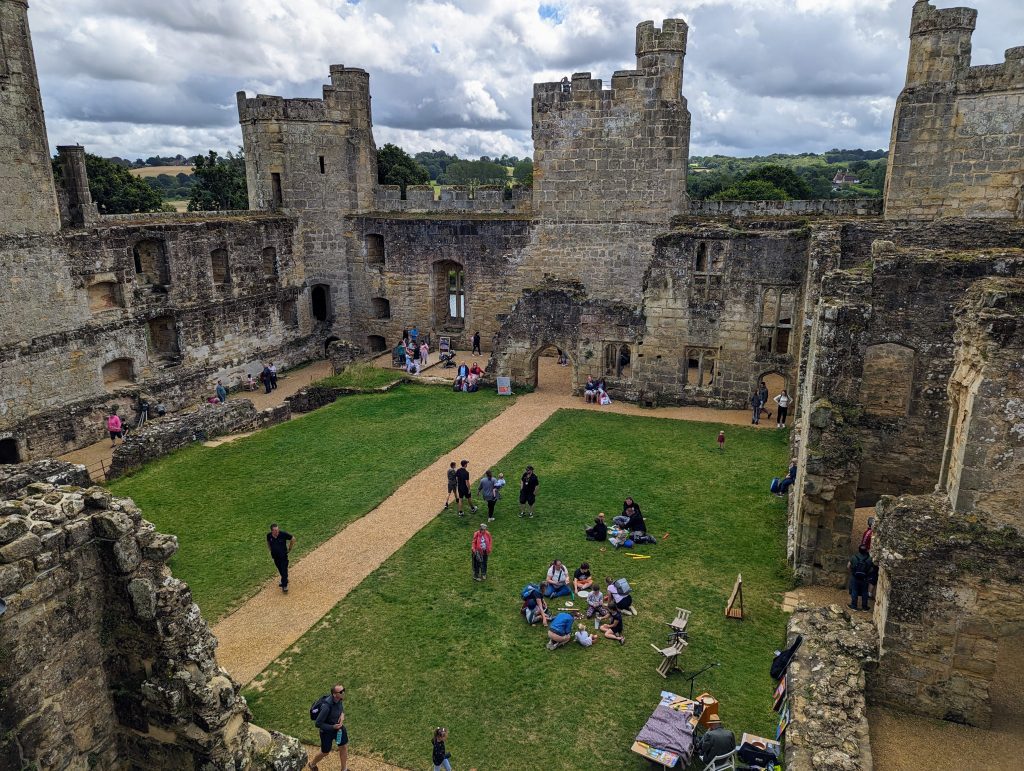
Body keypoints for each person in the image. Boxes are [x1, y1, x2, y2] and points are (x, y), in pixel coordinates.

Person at [309, 684, 347, 771]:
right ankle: (312, 764)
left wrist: (342, 714)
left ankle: (344, 769)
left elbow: (340, 708)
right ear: (334, 694)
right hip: (326, 732)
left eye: (343, 690)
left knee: (343, 747)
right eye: (341, 692)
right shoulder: (326, 706)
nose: (343, 692)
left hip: (339, 729)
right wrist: (333, 727)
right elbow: (318, 723)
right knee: (325, 752)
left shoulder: (339, 698)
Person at [266, 523, 295, 593]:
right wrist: (270, 550)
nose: (277, 531)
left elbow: (293, 538)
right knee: (280, 569)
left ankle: (284, 585)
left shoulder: (283, 534)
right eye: (275, 530)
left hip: (283, 556)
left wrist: (290, 548)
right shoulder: (269, 535)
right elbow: (268, 542)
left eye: (277, 530)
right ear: (272, 531)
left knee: (284, 569)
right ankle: (285, 579)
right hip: (275, 556)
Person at [848, 545, 873, 611]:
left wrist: (852, 571)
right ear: (866, 551)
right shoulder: (869, 558)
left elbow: (848, 566)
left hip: (855, 577)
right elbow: (871, 569)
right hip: (865, 578)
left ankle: (854, 606)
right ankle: (864, 607)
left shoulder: (854, 557)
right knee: (865, 592)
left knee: (854, 591)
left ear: (859, 550)